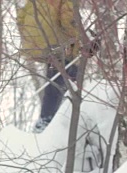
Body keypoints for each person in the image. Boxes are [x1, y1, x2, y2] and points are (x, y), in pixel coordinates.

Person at [16, 0, 80, 133]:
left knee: (54, 81)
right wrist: (79, 44)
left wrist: (32, 40)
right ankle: (54, 121)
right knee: (71, 80)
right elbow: (68, 22)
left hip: (37, 44)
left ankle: (46, 120)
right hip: (57, 45)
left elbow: (20, 17)